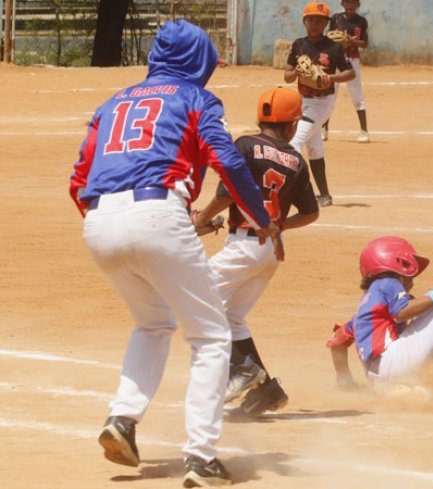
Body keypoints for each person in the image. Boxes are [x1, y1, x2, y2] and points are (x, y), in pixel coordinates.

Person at [69, 20, 279, 487]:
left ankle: (122, 419)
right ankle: (201, 457)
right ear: (197, 61)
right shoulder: (196, 99)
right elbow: (227, 160)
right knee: (211, 336)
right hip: (158, 211)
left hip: (99, 221)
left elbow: (78, 179)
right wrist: (262, 218)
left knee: (152, 323)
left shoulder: (111, 103)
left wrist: (113, 223)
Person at [192, 87, 320, 416]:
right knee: (231, 317)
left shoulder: (246, 145)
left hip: (243, 246)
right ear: (292, 126)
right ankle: (267, 391)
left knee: (196, 298)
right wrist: (279, 226)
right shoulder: (296, 162)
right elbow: (311, 213)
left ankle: (243, 370)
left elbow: (227, 192)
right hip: (268, 252)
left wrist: (202, 218)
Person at [326, 236, 433, 389]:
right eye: (409, 275)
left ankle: (406, 390)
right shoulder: (389, 282)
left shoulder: (368, 303)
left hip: (377, 377)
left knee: (425, 306)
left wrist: (345, 381)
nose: (412, 282)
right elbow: (401, 312)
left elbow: (337, 340)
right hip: (393, 362)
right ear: (397, 264)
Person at [284, 1, 355, 208]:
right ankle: (324, 195)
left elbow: (350, 72)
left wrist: (329, 78)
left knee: (293, 145)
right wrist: (297, 71)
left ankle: (289, 192)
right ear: (304, 21)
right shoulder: (298, 44)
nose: (315, 24)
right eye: (311, 20)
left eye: (320, 20)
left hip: (322, 104)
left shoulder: (333, 47)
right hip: (301, 101)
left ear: (326, 24)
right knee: (314, 148)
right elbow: (287, 76)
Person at [322, 0, 370, 143]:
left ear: (358, 5)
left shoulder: (361, 21)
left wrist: (352, 41)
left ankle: (364, 131)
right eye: (347, 3)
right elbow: (329, 37)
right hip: (336, 59)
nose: (350, 6)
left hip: (352, 59)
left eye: (353, 3)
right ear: (342, 4)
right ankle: (324, 128)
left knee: (357, 95)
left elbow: (365, 44)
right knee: (330, 93)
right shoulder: (336, 18)